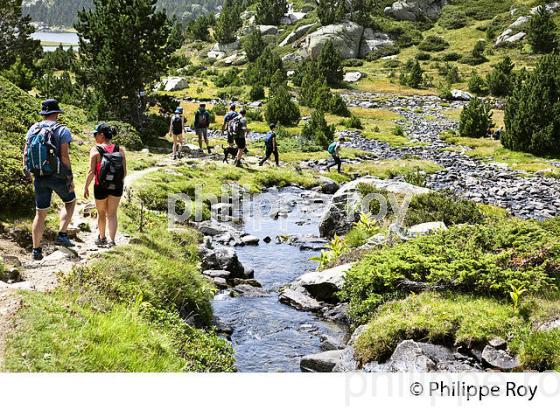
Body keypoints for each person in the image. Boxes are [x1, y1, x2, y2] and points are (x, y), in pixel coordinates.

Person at [23, 99, 77, 260]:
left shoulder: (33, 128)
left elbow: (25, 152)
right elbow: (65, 157)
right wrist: (70, 178)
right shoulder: (62, 130)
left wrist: (27, 171)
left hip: (39, 175)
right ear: (57, 114)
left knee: (40, 213)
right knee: (70, 201)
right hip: (58, 176)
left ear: (43, 113)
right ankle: (62, 234)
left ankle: (36, 250)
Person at [84, 123, 127, 248]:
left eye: (95, 134)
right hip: (116, 186)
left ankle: (102, 238)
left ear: (101, 135)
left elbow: (91, 172)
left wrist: (86, 186)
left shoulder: (95, 150)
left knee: (101, 213)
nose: (94, 137)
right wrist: (116, 182)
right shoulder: (120, 150)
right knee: (112, 214)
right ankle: (112, 241)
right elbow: (124, 172)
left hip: (100, 186)